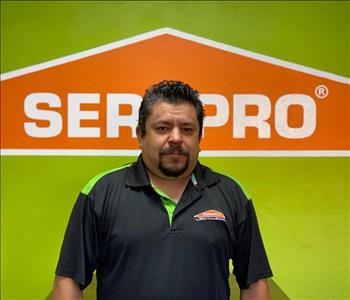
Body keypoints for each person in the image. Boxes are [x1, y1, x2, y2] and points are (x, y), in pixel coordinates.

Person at [52, 80, 273, 300]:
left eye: (187, 129)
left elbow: (254, 282)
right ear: (140, 134)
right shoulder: (101, 192)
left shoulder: (231, 193)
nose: (176, 138)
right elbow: (68, 280)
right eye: (162, 128)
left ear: (199, 138)